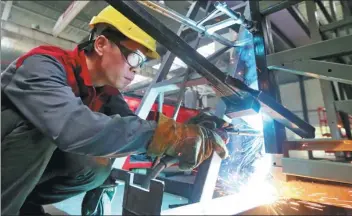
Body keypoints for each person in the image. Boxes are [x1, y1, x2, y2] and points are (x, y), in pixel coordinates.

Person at [1, 6, 229, 215]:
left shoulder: (106, 93)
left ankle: (24, 203)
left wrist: (185, 135)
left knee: (96, 166)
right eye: (135, 57)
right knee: (41, 130)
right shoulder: (44, 65)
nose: (136, 70)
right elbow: (72, 127)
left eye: (142, 64)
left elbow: (132, 130)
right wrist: (168, 136)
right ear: (100, 44)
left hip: (15, 173)